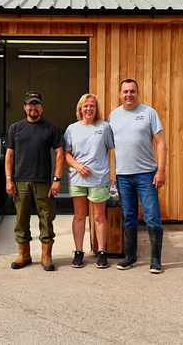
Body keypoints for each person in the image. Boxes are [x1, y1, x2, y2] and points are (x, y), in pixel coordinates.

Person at [109, 79, 167, 274]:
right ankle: (130, 256)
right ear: (120, 94)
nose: (128, 95)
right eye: (125, 91)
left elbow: (160, 142)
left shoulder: (149, 113)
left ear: (137, 93)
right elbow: (108, 147)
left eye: (132, 91)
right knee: (129, 217)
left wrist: (161, 170)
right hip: (123, 176)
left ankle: (156, 260)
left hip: (146, 175)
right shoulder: (114, 116)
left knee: (152, 217)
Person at [5, 91, 64, 271]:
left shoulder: (50, 129)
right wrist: (9, 179)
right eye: (30, 105)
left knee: (46, 218)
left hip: (43, 182)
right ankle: (24, 254)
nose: (33, 108)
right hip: (20, 181)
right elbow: (9, 155)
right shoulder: (15, 128)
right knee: (21, 219)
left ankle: (46, 256)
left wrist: (57, 179)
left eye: (36, 104)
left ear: (41, 107)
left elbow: (60, 154)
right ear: (24, 107)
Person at [63, 94, 115, 269]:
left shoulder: (105, 127)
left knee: (100, 216)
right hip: (77, 178)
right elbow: (66, 154)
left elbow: (111, 151)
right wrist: (77, 166)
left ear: (96, 108)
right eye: (85, 106)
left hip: (99, 178)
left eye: (92, 106)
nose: (89, 109)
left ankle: (102, 252)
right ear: (80, 109)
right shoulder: (72, 129)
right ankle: (78, 252)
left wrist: (112, 174)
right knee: (79, 216)